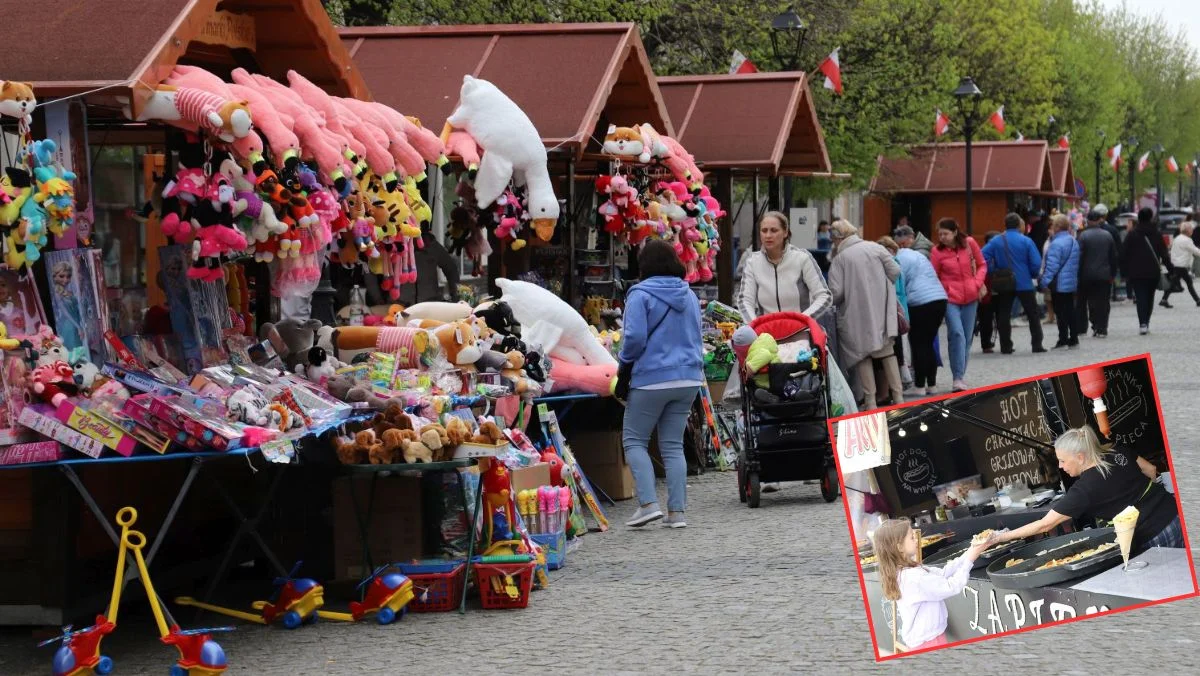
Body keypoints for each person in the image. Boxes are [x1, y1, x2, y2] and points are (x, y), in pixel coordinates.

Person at [616, 240, 704, 529]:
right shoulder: (688, 295)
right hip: (688, 378)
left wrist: (624, 366)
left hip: (651, 379)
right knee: (672, 445)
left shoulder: (639, 295)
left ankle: (648, 504)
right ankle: (677, 513)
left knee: (634, 440)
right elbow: (696, 335)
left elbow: (634, 339)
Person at [993, 426, 1183, 554]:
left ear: (1081, 457)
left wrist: (1000, 537)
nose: (1060, 466)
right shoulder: (1117, 451)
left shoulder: (1084, 489)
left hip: (1155, 534)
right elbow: (1150, 470)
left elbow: (1044, 525)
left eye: (1063, 460)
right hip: (1176, 512)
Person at [875, 519, 993, 651]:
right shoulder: (913, 577)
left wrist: (970, 551)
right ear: (899, 547)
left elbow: (942, 573)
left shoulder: (904, 571)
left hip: (924, 640)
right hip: (929, 642)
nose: (916, 540)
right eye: (911, 537)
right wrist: (970, 559)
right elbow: (951, 586)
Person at [828, 220, 903, 409]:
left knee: (862, 355)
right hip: (880, 311)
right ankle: (899, 397)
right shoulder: (876, 248)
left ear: (838, 238)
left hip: (855, 315)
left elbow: (836, 293)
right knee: (887, 353)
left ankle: (870, 401)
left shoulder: (840, 258)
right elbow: (895, 271)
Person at [930, 218, 986, 392]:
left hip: (971, 296)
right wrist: (942, 292)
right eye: (940, 234)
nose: (942, 237)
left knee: (967, 339)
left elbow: (982, 264)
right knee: (956, 333)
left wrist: (977, 283)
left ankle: (960, 376)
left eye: (945, 233)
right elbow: (934, 274)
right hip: (950, 298)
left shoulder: (969, 243)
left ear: (955, 232)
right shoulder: (937, 252)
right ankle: (957, 378)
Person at [982, 213, 1044, 354]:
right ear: (1018, 225)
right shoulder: (1026, 241)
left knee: (1004, 314)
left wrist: (993, 270)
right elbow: (1036, 262)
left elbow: (982, 256)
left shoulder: (997, 241)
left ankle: (1006, 345)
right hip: (1024, 282)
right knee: (1032, 313)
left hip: (1005, 282)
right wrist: (1032, 274)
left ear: (1005, 224)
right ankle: (1037, 344)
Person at [895, 235, 947, 396]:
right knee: (929, 342)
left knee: (918, 344)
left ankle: (919, 386)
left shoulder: (898, 259)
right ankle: (932, 384)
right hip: (939, 298)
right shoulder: (917, 255)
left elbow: (898, 285)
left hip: (920, 301)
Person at [1119, 207, 1170, 335]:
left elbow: (1124, 253)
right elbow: (1164, 253)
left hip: (1136, 271)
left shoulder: (1132, 234)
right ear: (1151, 217)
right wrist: (1170, 269)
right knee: (1150, 297)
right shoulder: (1157, 233)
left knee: (1140, 297)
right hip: (1153, 271)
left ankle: (1142, 323)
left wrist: (1124, 271)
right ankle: (1146, 321)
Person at [878, 237, 914, 391]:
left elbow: (897, 291)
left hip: (893, 310)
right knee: (899, 347)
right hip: (900, 311)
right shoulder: (896, 262)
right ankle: (900, 382)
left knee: (895, 348)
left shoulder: (892, 264)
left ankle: (897, 384)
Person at [1076, 209, 1119, 337]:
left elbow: (1079, 257)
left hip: (1086, 275)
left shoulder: (1083, 236)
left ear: (1088, 221)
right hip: (1104, 275)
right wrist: (1112, 273)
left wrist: (1078, 274)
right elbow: (1113, 257)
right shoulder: (1107, 235)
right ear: (1099, 220)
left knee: (1084, 302)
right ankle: (1102, 328)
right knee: (1103, 302)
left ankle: (1083, 327)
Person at [1040, 213, 1081, 349]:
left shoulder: (1056, 244)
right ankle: (1074, 338)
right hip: (1071, 282)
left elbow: (1052, 266)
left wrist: (1044, 282)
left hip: (1059, 283)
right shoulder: (1073, 241)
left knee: (1060, 311)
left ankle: (1063, 339)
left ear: (1057, 226)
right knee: (1070, 310)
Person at [398, 224, 461, 306]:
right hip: (399, 305)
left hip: (429, 304)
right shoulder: (394, 245)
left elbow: (451, 269)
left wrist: (456, 296)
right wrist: (378, 298)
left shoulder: (432, 245)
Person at [1159, 220, 1200, 308]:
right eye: (1191, 229)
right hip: (1181, 266)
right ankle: (1198, 300)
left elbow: (1173, 251)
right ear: (1188, 230)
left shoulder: (1177, 238)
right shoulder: (1187, 240)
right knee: (1188, 282)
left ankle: (1164, 299)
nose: (1192, 230)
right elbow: (1196, 251)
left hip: (1176, 264)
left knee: (1174, 283)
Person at [977, 231, 1001, 353]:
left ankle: (987, 344)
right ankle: (988, 343)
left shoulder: (981, 255)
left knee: (986, 318)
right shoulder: (997, 255)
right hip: (990, 291)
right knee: (989, 318)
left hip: (988, 291)